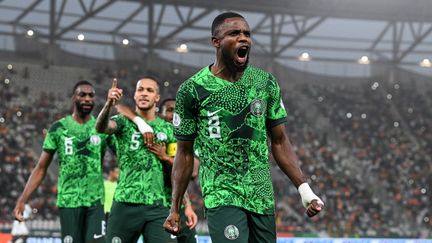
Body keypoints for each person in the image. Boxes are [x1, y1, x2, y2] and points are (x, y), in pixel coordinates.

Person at [163, 12, 324, 242]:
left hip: (261, 194)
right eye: (234, 33)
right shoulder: (192, 90)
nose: (243, 38)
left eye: (247, 34)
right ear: (215, 42)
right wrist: (175, 208)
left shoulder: (265, 83)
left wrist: (304, 189)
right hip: (222, 194)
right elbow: (185, 153)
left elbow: (279, 141)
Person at [96, 78, 196, 243]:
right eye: (140, 90)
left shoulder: (168, 130)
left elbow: (176, 171)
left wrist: (187, 204)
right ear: (135, 95)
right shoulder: (122, 122)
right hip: (125, 203)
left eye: (149, 91)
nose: (144, 93)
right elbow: (101, 127)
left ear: (157, 97)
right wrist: (108, 104)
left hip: (158, 206)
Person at [14, 80, 110, 243]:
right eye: (82, 95)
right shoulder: (58, 128)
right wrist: (23, 199)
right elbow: (41, 168)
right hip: (68, 200)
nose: (87, 98)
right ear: (73, 98)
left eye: (91, 95)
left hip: (95, 200)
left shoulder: (102, 128)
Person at [160, 98, 199, 243]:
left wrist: (188, 206)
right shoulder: (158, 135)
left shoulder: (187, 139)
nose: (173, 114)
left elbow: (192, 172)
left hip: (180, 206)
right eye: (169, 110)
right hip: (160, 207)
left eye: (177, 111)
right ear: (161, 113)